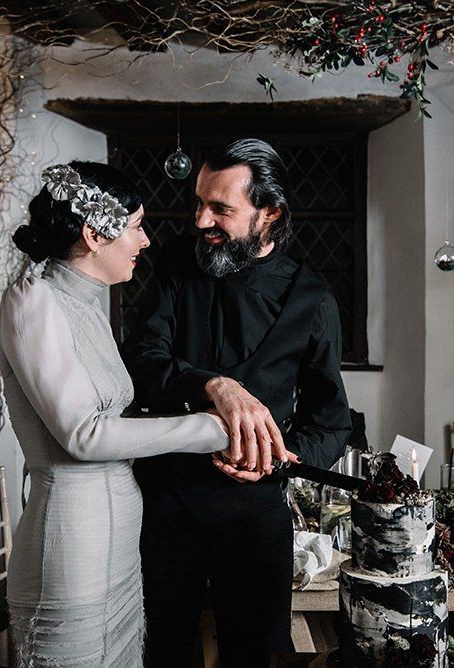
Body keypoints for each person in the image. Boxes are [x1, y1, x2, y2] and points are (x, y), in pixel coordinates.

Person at [0, 161, 295, 668]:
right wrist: (213, 429)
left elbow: (120, 413)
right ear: (94, 234)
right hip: (74, 544)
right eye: (136, 227)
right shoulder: (34, 301)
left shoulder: (88, 304)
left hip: (120, 546)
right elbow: (84, 435)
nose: (146, 241)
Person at [122, 139, 352, 668]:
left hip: (255, 519)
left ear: (269, 212)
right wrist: (214, 384)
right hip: (165, 508)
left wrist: (276, 457)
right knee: (162, 655)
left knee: (254, 659)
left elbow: (331, 421)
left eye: (221, 209)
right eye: (199, 202)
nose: (202, 219)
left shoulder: (314, 299)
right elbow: (140, 360)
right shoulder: (177, 263)